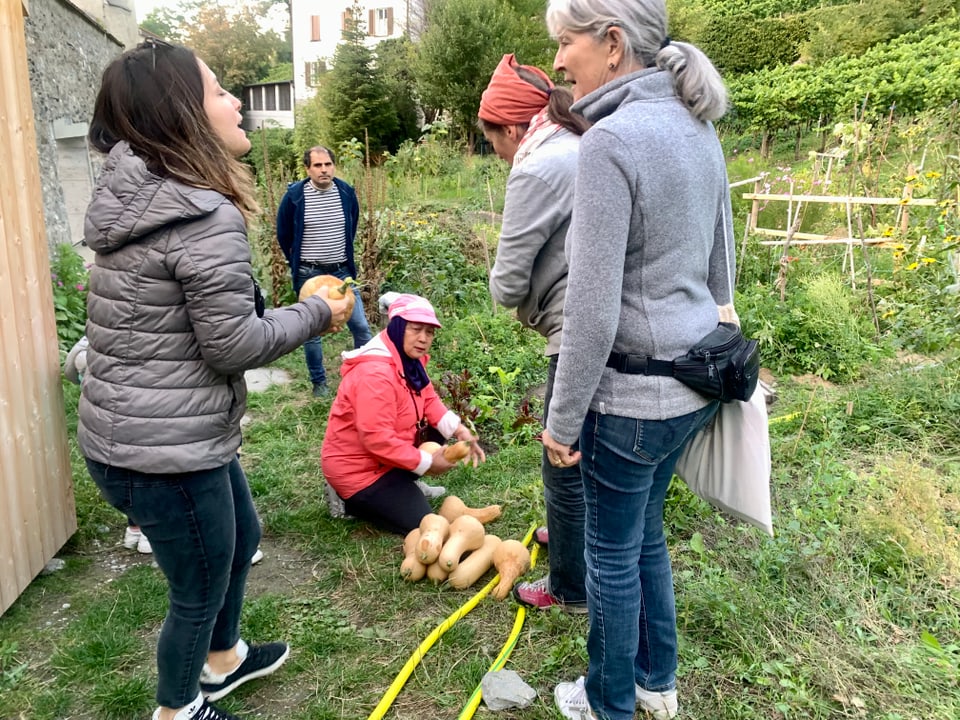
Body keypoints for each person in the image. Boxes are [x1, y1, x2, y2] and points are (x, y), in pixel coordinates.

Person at [78, 40, 351, 720]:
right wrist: (319, 313)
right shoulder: (202, 213)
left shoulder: (139, 199)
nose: (237, 102)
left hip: (140, 432)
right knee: (197, 583)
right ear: (182, 115)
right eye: (220, 90)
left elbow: (197, 317)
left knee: (244, 537)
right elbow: (231, 345)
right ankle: (177, 708)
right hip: (164, 446)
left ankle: (223, 659)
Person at [540, 1, 734, 719]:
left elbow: (590, 309)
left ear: (612, 44)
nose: (560, 62)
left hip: (629, 402)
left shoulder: (611, 142)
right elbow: (721, 271)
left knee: (611, 557)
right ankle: (658, 683)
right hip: (692, 387)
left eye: (566, 43)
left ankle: (609, 702)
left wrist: (562, 423)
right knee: (645, 535)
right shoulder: (698, 125)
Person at [478, 53, 589, 613]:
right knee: (587, 449)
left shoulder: (536, 166)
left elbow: (507, 281)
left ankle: (569, 587)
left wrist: (505, 285)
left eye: (493, 139)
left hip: (574, 330)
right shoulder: (578, 145)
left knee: (561, 457)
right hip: (602, 324)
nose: (496, 153)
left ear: (514, 127)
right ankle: (572, 544)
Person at [321, 294, 486, 535]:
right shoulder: (375, 375)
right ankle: (346, 498)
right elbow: (377, 439)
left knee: (437, 430)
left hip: (384, 458)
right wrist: (428, 463)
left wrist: (460, 430)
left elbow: (428, 399)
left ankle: (405, 481)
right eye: (416, 329)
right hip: (359, 470)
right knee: (423, 522)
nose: (423, 339)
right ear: (398, 327)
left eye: (429, 332)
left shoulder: (407, 360)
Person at [275, 146, 373, 397]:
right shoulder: (295, 197)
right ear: (307, 169)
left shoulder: (345, 192)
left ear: (334, 166)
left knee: (361, 326)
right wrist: (299, 263)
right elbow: (284, 235)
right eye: (317, 165)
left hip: (341, 272)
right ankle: (319, 384)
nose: (324, 170)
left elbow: (352, 225)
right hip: (310, 273)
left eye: (328, 164)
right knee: (313, 332)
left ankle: (364, 379)